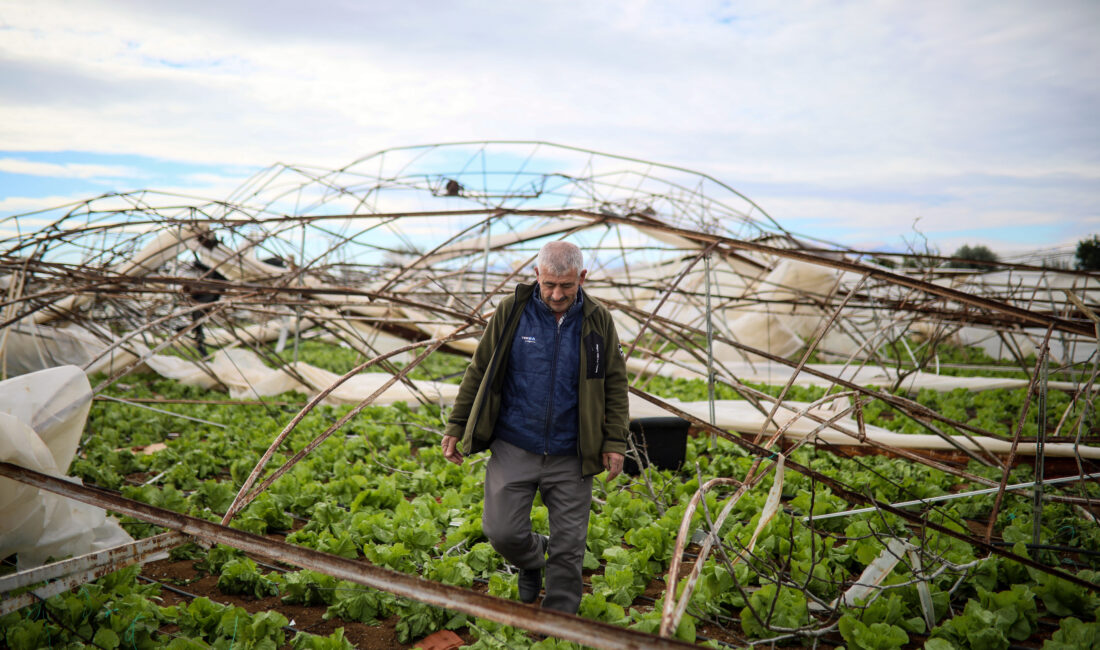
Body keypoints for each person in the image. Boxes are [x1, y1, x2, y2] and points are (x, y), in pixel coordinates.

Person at [441, 240, 629, 614]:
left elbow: (614, 383)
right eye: (549, 285)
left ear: (582, 278)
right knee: (502, 532)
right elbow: (479, 368)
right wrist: (457, 424)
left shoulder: (598, 321)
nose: (557, 294)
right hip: (515, 443)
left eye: (567, 286)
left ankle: (560, 623)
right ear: (536, 276)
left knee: (569, 547)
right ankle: (531, 558)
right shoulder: (513, 311)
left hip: (573, 451)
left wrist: (615, 442)